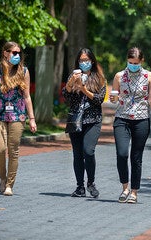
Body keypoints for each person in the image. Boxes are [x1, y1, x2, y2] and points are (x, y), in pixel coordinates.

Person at [0, 41, 37, 196]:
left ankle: (10, 185)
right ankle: (2, 179)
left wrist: (32, 118)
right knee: (0, 148)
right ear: (5, 53)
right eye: (13, 52)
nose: (17, 55)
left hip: (18, 115)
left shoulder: (23, 71)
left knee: (13, 150)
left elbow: (27, 96)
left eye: (18, 53)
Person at [109, 47, 151, 204]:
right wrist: (113, 99)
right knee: (122, 153)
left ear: (141, 61)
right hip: (122, 118)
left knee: (136, 157)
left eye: (136, 63)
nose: (133, 65)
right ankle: (125, 187)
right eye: (130, 62)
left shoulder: (149, 76)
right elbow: (114, 96)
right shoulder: (119, 76)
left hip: (141, 119)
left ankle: (134, 192)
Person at [62, 48, 106, 198]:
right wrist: (71, 83)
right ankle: (80, 186)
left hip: (93, 120)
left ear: (92, 61)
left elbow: (99, 99)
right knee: (77, 154)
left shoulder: (99, 78)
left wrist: (83, 89)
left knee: (88, 151)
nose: (84, 63)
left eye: (86, 60)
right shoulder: (73, 76)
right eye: (81, 60)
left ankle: (91, 183)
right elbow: (66, 96)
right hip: (76, 120)